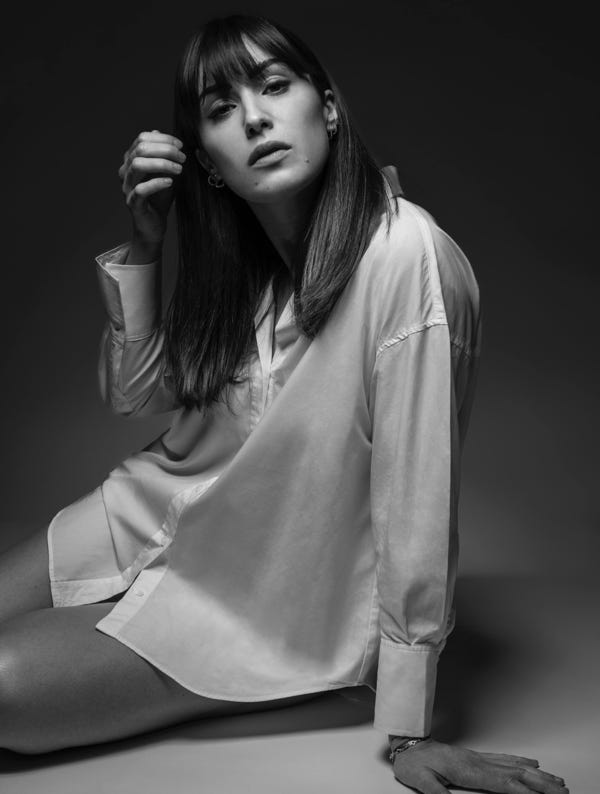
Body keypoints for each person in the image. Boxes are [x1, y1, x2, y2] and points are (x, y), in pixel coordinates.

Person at [0, 13, 568, 794]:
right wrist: (147, 244)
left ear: (327, 108)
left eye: (273, 86)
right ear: (207, 160)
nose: (255, 118)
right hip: (140, 519)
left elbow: (417, 493)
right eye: (221, 108)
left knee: (5, 687)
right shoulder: (251, 264)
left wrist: (409, 728)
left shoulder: (403, 256)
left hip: (254, 597)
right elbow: (136, 394)